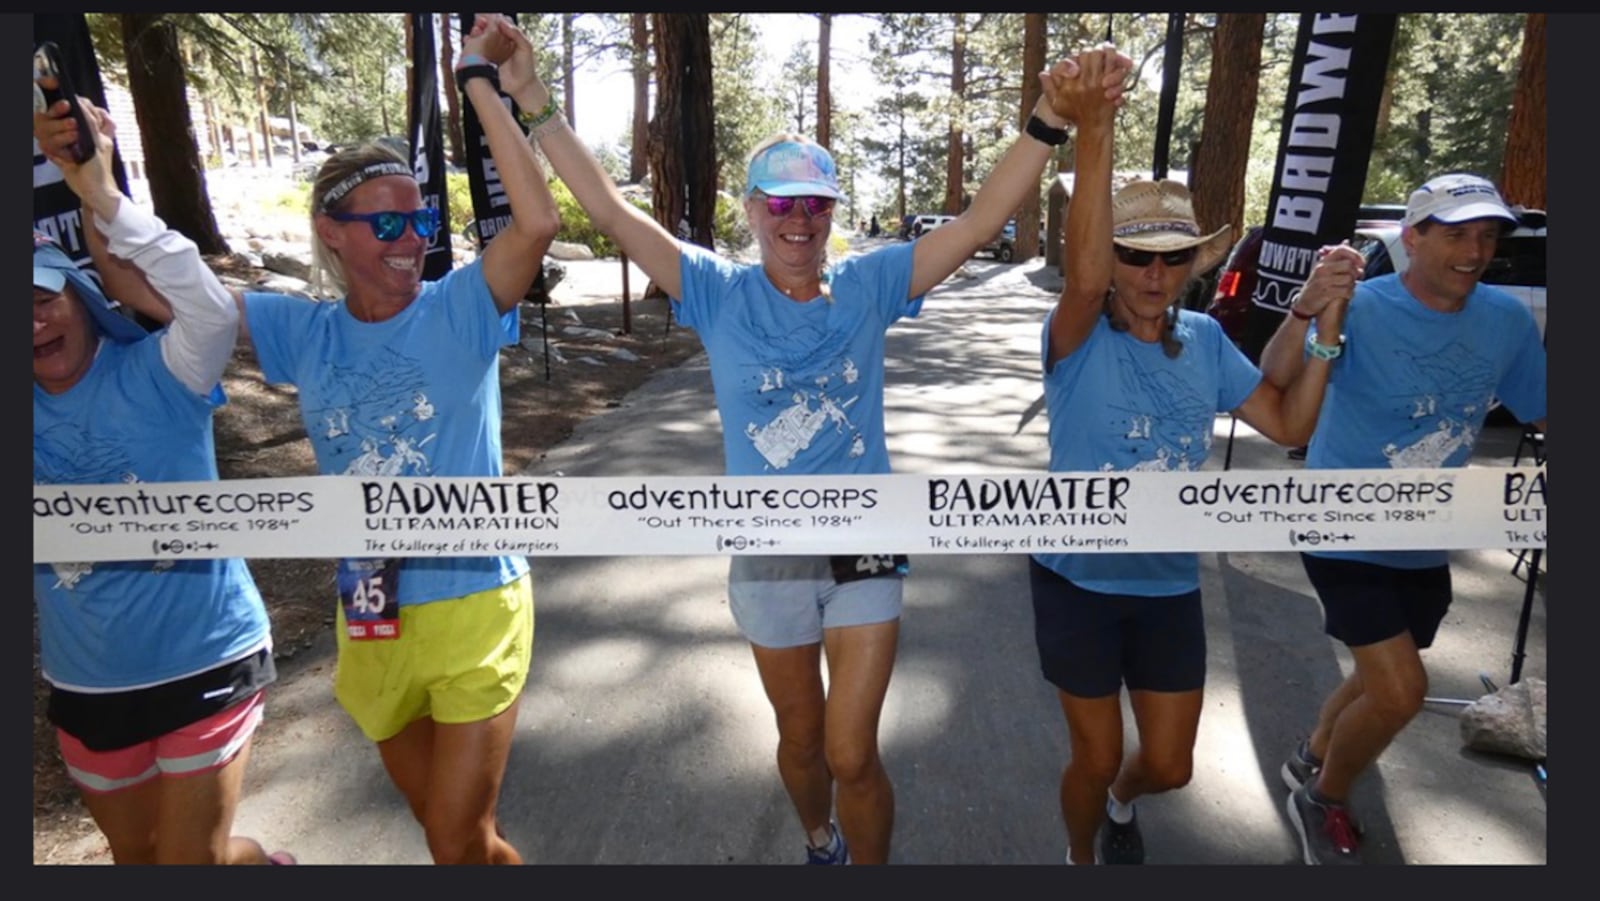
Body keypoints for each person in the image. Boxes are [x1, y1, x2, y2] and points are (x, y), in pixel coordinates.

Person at [479, 18, 1129, 864]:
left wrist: (1047, 120)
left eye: (813, 205)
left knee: (853, 750)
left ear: (830, 214)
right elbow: (606, 207)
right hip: (768, 559)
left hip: (863, 552)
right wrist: (528, 95)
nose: (797, 220)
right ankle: (819, 836)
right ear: (751, 212)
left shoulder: (868, 286)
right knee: (802, 741)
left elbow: (973, 226)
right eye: (779, 203)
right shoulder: (715, 292)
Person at [221, 15, 559, 864]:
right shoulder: (300, 332)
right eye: (386, 225)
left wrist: (481, 85)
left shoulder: (459, 308)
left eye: (421, 221)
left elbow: (537, 224)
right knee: (460, 839)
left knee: (452, 835)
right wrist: (95, 189)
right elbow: (170, 305)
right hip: (369, 608)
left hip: (477, 597)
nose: (413, 241)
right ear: (332, 232)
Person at [1030, 48, 1349, 865]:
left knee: (1166, 765)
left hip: (1167, 583)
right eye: (1137, 255)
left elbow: (1283, 423)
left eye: (1173, 256)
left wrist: (1323, 329)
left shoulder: (1203, 340)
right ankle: (1078, 856)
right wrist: (1095, 125)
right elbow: (1085, 272)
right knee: (1093, 751)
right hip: (1078, 579)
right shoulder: (1075, 333)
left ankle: (1120, 804)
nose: (1154, 271)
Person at [1258, 172, 1547, 865]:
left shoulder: (1506, 320)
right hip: (1341, 521)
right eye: (1456, 234)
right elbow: (1273, 376)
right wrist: (1305, 308)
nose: (1475, 249)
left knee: (1377, 674)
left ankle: (1312, 754)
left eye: (1486, 235)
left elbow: (1542, 408)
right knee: (1400, 692)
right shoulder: (1361, 305)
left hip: (1426, 530)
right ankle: (1323, 795)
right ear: (1412, 238)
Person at [33, 95, 290, 865]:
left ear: (82, 300)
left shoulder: (163, 370)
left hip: (207, 658)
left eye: (42, 299)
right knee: (141, 858)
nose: (31, 323)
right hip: (88, 683)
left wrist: (102, 196)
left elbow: (206, 306)